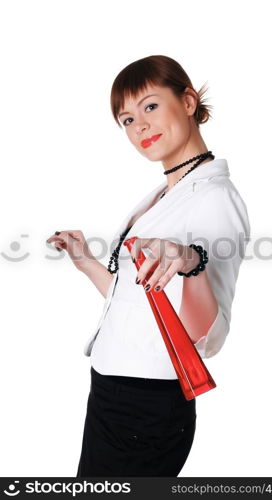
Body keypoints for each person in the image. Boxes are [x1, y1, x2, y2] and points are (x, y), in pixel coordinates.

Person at [46, 55, 250, 477]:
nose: (139, 126)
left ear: (188, 101)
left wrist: (193, 263)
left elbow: (208, 336)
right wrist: (86, 262)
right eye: (126, 119)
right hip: (112, 389)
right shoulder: (166, 193)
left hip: (146, 402)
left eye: (151, 106)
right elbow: (146, 303)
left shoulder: (213, 198)